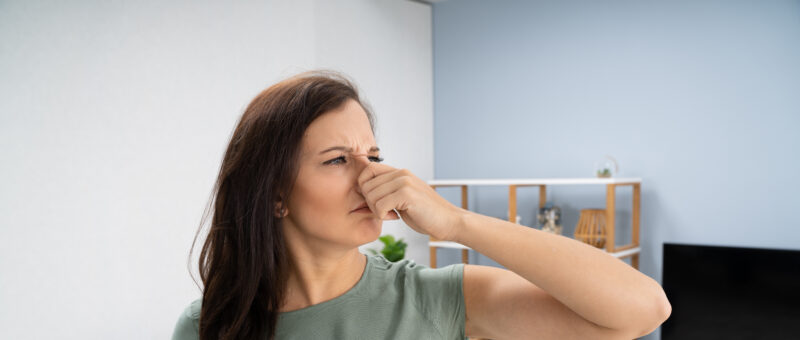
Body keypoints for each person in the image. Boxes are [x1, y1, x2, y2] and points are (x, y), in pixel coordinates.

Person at [171, 70, 672, 340]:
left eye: (373, 155)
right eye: (337, 160)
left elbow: (644, 309)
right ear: (275, 194)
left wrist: (456, 222)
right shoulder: (206, 327)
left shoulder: (435, 302)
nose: (371, 176)